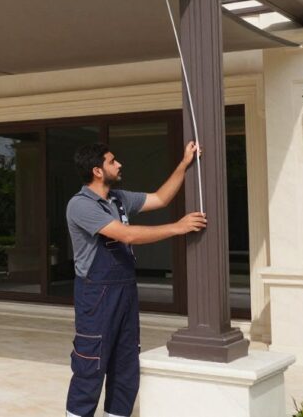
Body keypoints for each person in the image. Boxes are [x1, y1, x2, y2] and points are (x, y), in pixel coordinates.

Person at [65, 141, 207, 417]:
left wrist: (184, 162)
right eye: (112, 161)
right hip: (96, 296)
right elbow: (126, 235)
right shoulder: (80, 205)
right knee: (91, 365)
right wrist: (177, 227)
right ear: (97, 170)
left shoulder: (118, 199)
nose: (119, 164)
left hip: (125, 291)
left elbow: (160, 199)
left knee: (126, 364)